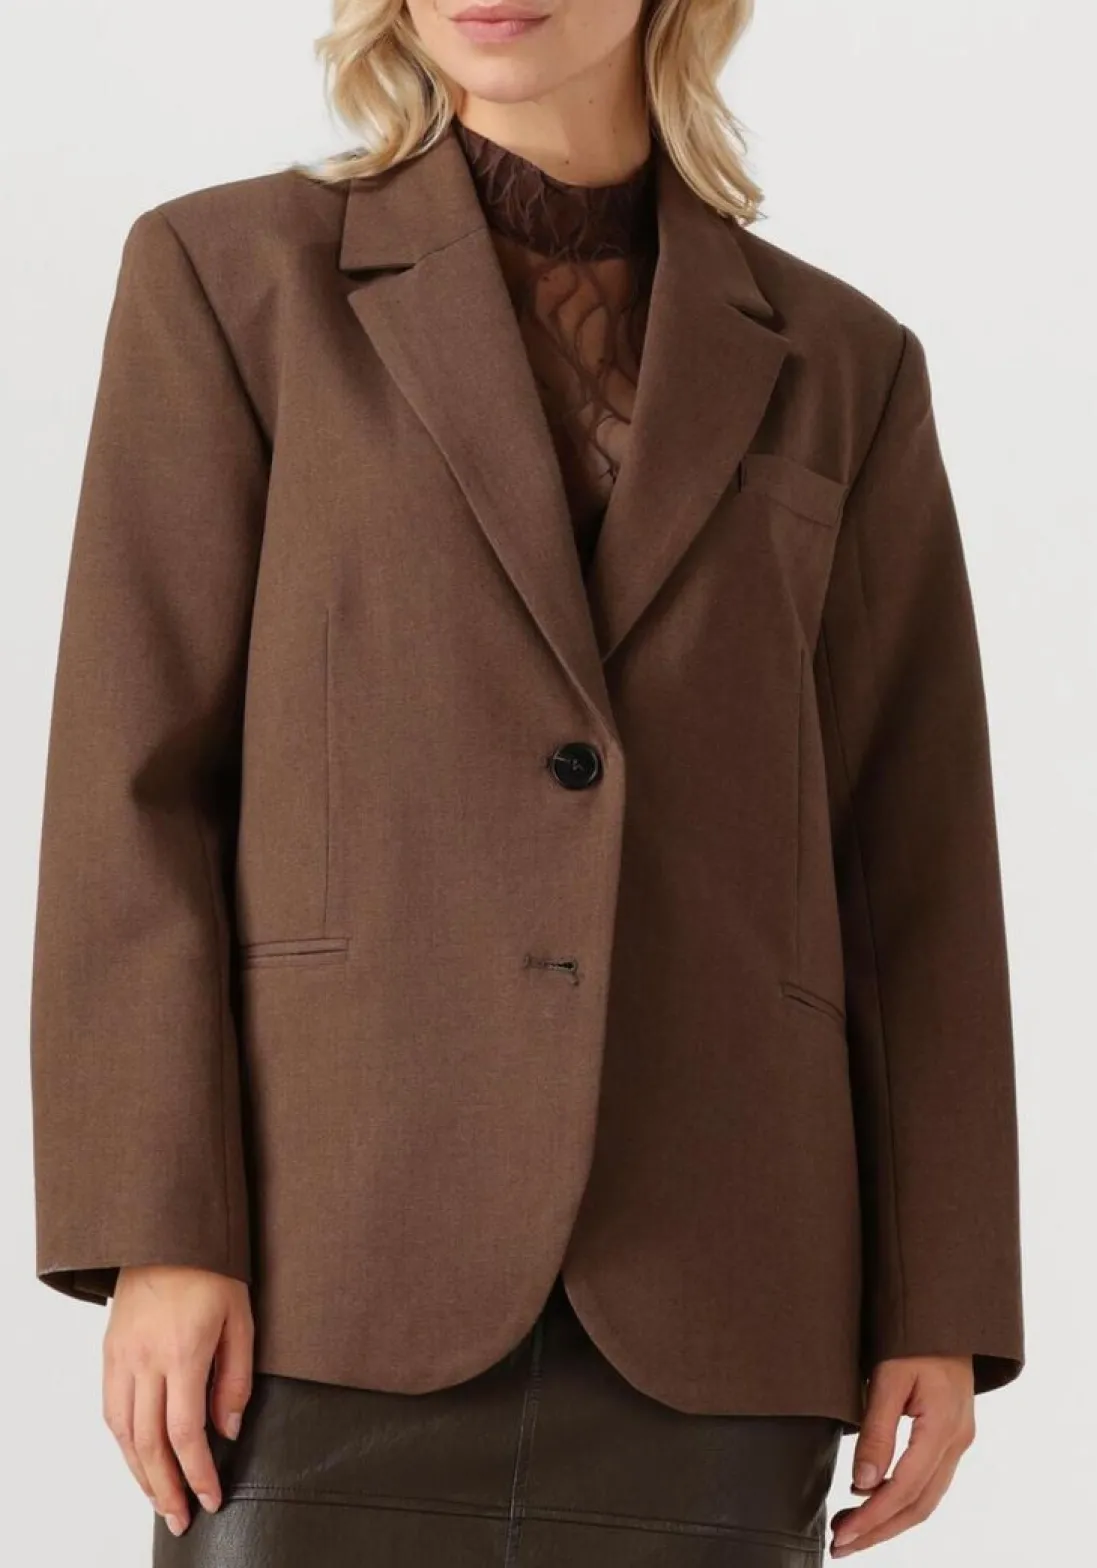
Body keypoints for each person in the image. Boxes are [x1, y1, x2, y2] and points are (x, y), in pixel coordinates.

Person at [28, 2, 1025, 1564]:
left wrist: (940, 1298)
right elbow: (135, 790)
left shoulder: (847, 364)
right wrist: (155, 1231)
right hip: (324, 1272)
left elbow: (916, 860)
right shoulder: (229, 281)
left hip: (723, 1287)